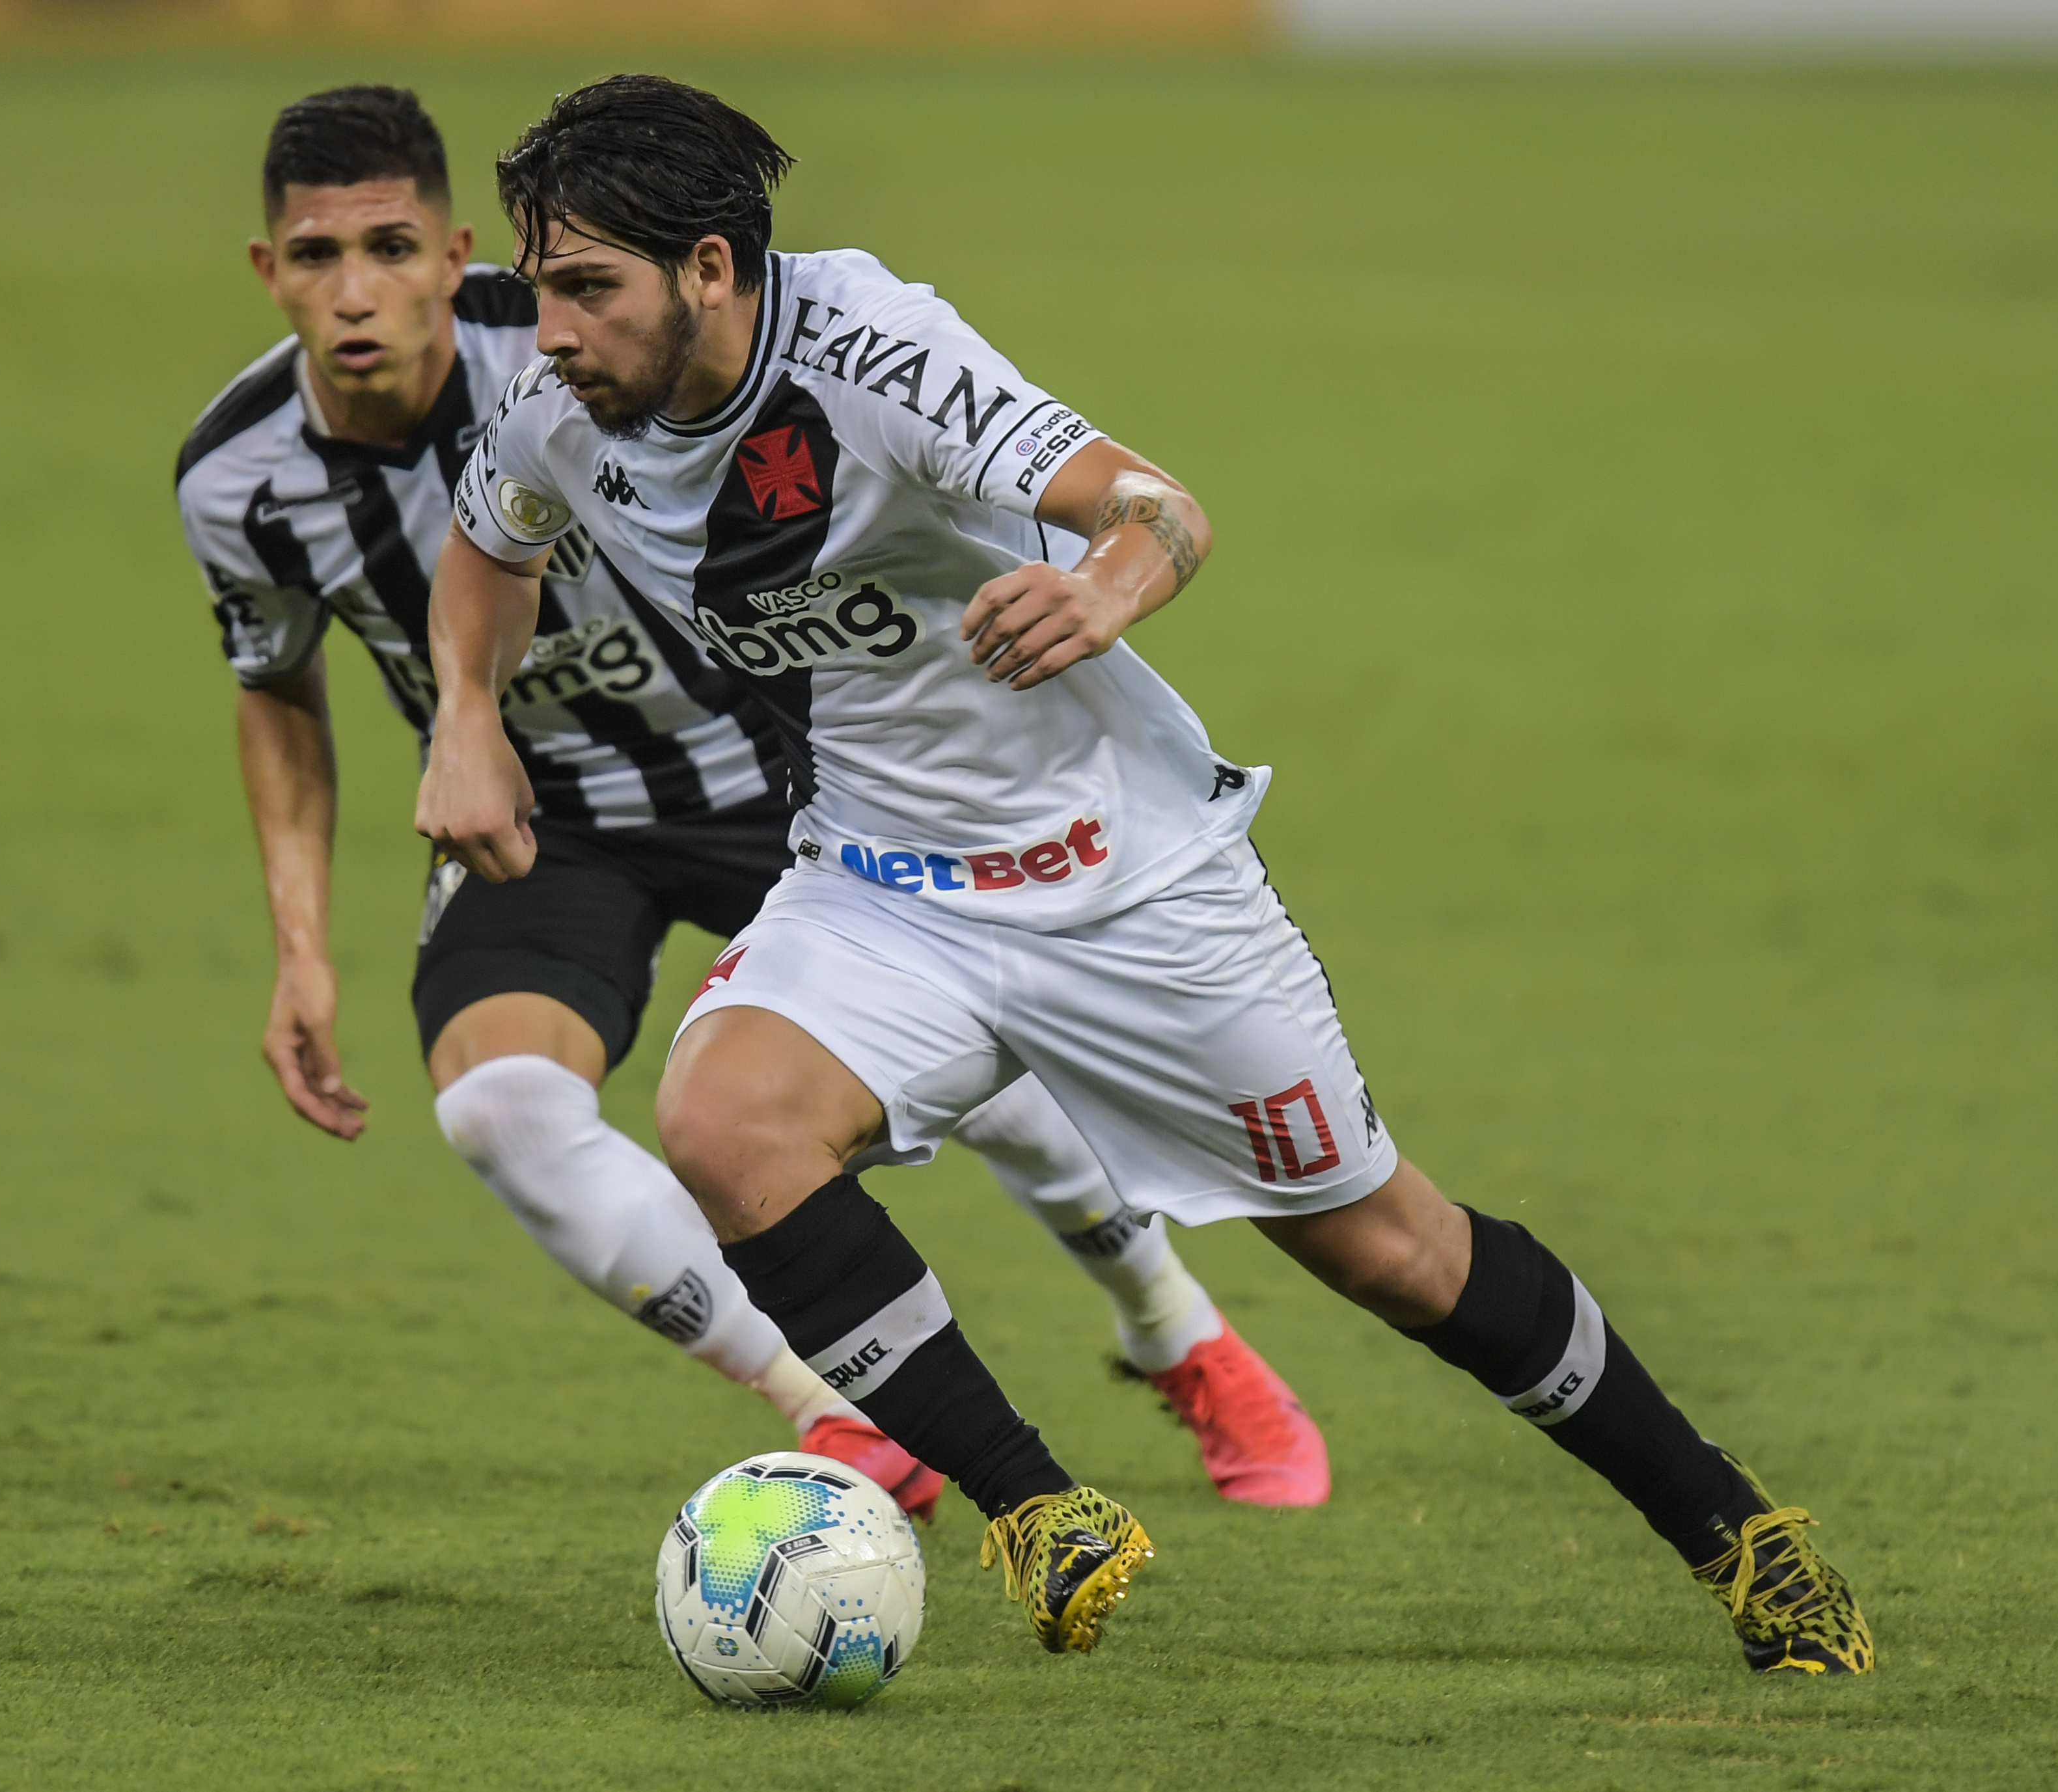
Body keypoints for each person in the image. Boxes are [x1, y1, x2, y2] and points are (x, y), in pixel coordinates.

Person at [417, 73, 1874, 1673]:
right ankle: (1036, 1510)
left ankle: (1736, 1532)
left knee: (1385, 1248)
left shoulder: (871, 359)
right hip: (878, 888)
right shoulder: (564, 402)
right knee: (720, 1118)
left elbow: (1151, 503)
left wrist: (1109, 583)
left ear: (710, 269)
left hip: (1121, 881)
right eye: (543, 286)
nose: (545, 329)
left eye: (584, 289)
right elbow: (495, 538)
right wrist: (468, 722)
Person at [172, 85, 1332, 1522]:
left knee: (997, 1076)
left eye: (392, 249)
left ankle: (1177, 1334)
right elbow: (274, 692)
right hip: (543, 817)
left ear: (455, 252)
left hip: (760, 767)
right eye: (314, 257)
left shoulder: (570, 332)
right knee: (501, 1112)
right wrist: (306, 934)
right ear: (264, 269)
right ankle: (835, 1412)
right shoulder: (236, 481)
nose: (357, 294)